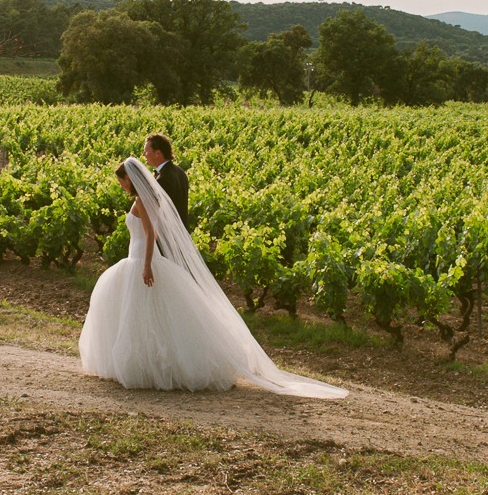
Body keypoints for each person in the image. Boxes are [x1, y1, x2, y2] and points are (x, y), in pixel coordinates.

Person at [79, 157, 347, 398]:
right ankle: (145, 363)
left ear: (130, 178)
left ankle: (148, 366)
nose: (121, 186)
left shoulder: (141, 201)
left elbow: (151, 236)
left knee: (141, 312)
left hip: (141, 258)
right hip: (138, 256)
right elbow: (155, 234)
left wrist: (146, 265)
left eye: (122, 181)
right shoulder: (150, 198)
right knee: (145, 314)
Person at [143, 133, 189, 230]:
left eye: (146, 151)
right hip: (183, 232)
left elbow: (161, 214)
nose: (144, 155)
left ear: (157, 153)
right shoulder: (179, 171)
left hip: (171, 235)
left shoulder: (163, 179)